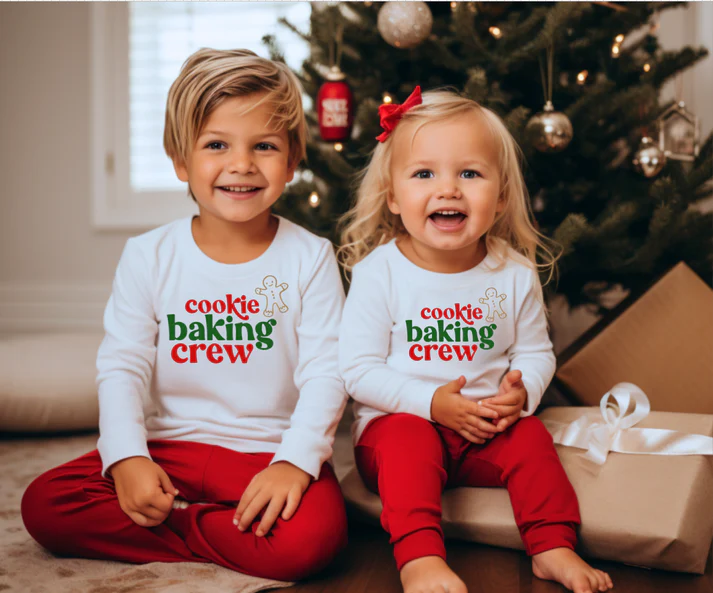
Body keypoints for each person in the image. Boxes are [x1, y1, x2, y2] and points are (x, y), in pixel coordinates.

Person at [21, 48, 348, 582]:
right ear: (181, 161)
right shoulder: (149, 255)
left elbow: (327, 371)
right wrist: (127, 458)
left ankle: (183, 527)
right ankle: (220, 531)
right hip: (168, 450)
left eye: (264, 147)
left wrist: (295, 461)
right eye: (216, 145)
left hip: (263, 455)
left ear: (291, 162)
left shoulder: (309, 256)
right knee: (46, 503)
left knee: (314, 538)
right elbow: (123, 365)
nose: (241, 164)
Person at [338, 86, 613, 593]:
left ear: (501, 195)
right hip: (397, 431)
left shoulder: (510, 271)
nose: (449, 190)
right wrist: (429, 403)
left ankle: (552, 546)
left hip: (485, 428)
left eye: (469, 173)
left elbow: (534, 351)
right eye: (424, 174)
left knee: (531, 439)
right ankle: (420, 557)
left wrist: (522, 391)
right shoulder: (381, 273)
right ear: (394, 197)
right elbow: (357, 369)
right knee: (408, 440)